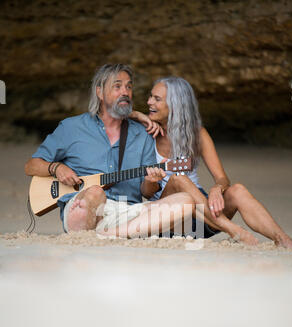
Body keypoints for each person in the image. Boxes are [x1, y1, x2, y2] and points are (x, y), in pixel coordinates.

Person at [25, 65, 194, 238]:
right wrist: (57, 168)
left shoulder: (143, 135)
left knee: (185, 202)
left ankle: (108, 234)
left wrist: (152, 181)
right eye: (117, 86)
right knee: (95, 192)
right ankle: (106, 229)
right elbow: (31, 166)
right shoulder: (71, 127)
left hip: (127, 212)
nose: (125, 92)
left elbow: (147, 192)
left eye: (129, 87)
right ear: (99, 92)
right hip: (86, 204)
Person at [131, 76, 292, 248]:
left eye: (157, 98)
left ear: (175, 104)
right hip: (168, 220)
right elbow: (108, 114)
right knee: (178, 179)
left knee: (237, 191)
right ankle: (234, 230)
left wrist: (217, 188)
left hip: (203, 219)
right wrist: (136, 114)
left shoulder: (197, 134)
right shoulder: (143, 133)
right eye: (151, 96)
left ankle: (284, 240)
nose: (149, 101)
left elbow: (222, 178)